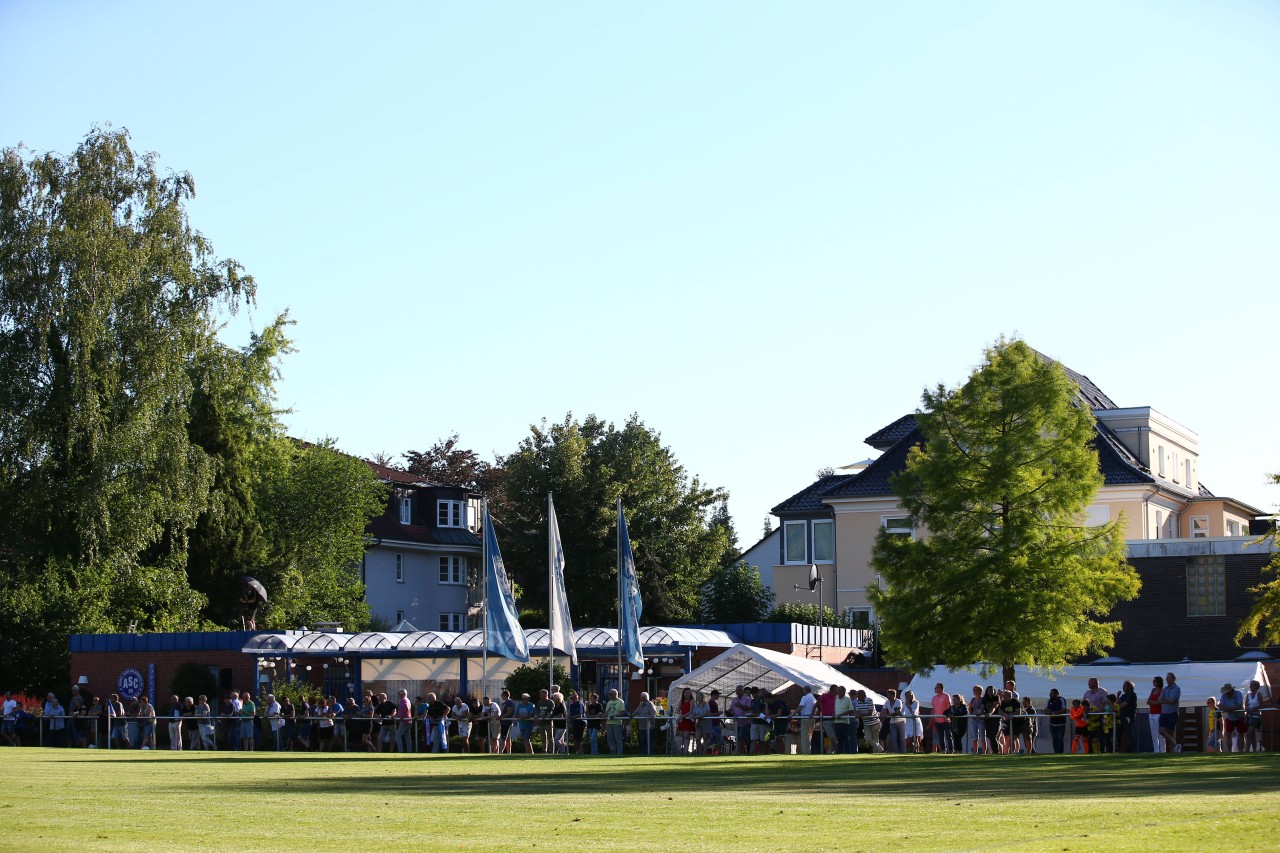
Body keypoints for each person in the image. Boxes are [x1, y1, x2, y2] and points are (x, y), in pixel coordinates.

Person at [1218, 682, 1246, 753]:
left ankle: (1241, 751)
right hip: (1230, 717)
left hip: (1240, 717)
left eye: (1228, 692)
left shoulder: (1238, 694)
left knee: (1241, 734)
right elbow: (1220, 705)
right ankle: (1229, 752)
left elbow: (1240, 705)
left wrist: (1231, 708)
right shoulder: (1224, 695)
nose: (1227, 693)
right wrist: (1225, 708)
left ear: (1231, 690)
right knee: (1228, 734)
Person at [1244, 679, 1270, 752]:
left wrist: (1253, 709)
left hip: (1256, 715)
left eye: (1252, 685)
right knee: (1251, 734)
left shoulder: (1258, 694)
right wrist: (1248, 709)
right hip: (1249, 715)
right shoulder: (1248, 695)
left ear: (1256, 686)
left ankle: (1246, 750)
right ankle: (1254, 750)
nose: (1250, 687)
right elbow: (1246, 705)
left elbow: (1261, 705)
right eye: (1250, 685)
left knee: (1249, 732)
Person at [1159, 672, 1181, 753]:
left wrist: (1165, 699)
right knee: (1161, 730)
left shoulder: (1177, 689)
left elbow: (1173, 700)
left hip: (1172, 713)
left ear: (1173, 679)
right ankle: (1175, 745)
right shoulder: (1165, 689)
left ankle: (1172, 751)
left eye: (1168, 678)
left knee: (1171, 732)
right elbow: (1160, 700)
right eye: (1166, 678)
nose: (1166, 679)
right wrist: (1166, 699)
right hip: (1164, 712)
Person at [930, 683, 953, 753]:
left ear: (940, 688)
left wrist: (948, 716)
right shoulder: (934, 698)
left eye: (936, 687)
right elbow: (934, 708)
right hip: (937, 720)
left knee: (948, 736)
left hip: (945, 720)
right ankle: (943, 750)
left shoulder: (946, 696)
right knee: (940, 736)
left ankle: (951, 750)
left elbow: (949, 707)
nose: (935, 689)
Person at [882, 688, 906, 753]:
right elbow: (883, 710)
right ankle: (895, 752)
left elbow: (898, 711)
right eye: (887, 695)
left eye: (889, 695)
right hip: (892, 722)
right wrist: (882, 715)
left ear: (894, 695)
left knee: (902, 738)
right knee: (893, 739)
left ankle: (903, 752)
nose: (888, 696)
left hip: (901, 721)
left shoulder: (898, 701)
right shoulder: (887, 702)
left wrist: (887, 715)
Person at [1043, 688, 1067, 754]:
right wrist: (1048, 712)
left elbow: (1063, 710)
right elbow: (1045, 710)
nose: (1050, 695)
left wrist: (1053, 712)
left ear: (1057, 695)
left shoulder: (1061, 700)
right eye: (1050, 694)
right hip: (1052, 723)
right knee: (1054, 739)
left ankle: (1060, 753)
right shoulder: (1048, 700)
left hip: (1061, 724)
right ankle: (1056, 753)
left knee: (1060, 739)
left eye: (1052, 694)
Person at [1117, 681, 1138, 752]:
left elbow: (1123, 705)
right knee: (1119, 734)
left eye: (1124, 686)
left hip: (1128, 718)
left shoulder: (1132, 695)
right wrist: (1118, 696)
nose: (1123, 688)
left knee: (1128, 734)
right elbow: (1118, 703)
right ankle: (1119, 749)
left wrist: (1116, 708)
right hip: (1122, 717)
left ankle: (1130, 750)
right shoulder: (1124, 695)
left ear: (1129, 687)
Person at [831, 686, 853, 755]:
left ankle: (848, 753)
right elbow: (835, 709)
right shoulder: (836, 699)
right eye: (838, 691)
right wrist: (834, 714)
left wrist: (842, 715)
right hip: (837, 722)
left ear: (843, 691)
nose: (838, 692)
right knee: (839, 739)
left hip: (845, 722)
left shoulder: (847, 699)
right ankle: (839, 753)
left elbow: (851, 710)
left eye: (840, 691)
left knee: (846, 739)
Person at [604, 688, 627, 755]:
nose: (609, 695)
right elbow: (606, 712)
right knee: (610, 739)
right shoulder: (609, 702)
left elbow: (622, 712)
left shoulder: (621, 702)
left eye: (610, 694)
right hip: (609, 723)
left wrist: (615, 715)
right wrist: (602, 715)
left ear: (615, 694)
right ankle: (612, 752)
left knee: (618, 739)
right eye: (609, 694)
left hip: (617, 723)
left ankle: (619, 753)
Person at [1146, 676, 1165, 753]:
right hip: (1151, 713)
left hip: (1158, 713)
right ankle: (1156, 751)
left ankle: (1162, 750)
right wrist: (1155, 702)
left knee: (1160, 734)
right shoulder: (1153, 690)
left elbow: (1162, 701)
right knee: (1154, 735)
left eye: (1154, 681)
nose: (1153, 682)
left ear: (1158, 682)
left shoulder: (1162, 691)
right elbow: (1148, 701)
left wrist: (1154, 702)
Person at [394, 688, 413, 753]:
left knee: (398, 735)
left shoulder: (404, 700)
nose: (398, 695)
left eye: (399, 693)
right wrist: (394, 716)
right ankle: (409, 751)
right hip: (407, 720)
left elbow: (406, 708)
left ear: (403, 694)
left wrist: (401, 716)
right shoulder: (406, 700)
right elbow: (401, 710)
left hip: (405, 721)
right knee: (407, 737)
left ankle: (400, 751)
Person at [499, 689, 516, 755]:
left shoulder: (510, 702)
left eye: (502, 695)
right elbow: (502, 712)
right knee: (507, 737)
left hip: (507, 722)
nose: (501, 697)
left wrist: (501, 717)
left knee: (503, 737)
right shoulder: (504, 703)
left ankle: (500, 752)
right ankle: (509, 752)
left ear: (505, 695)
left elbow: (509, 713)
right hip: (503, 722)